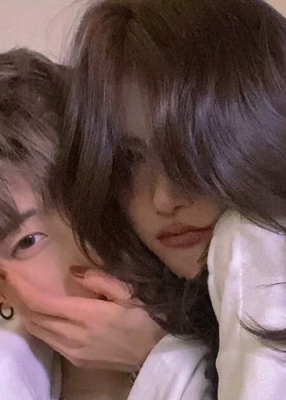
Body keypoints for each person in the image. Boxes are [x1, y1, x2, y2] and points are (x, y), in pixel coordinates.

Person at [3, 0, 286, 398]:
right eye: (131, 159)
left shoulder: (268, 247)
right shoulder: (192, 302)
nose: (164, 198)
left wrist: (158, 356)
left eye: (186, 148)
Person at [0, 48, 211, 400]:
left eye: (26, 242)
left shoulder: (246, 331)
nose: (7, 292)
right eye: (27, 242)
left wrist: (155, 354)